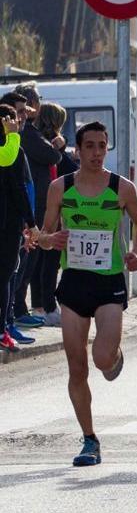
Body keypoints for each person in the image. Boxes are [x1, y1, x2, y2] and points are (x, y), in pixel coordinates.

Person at [38, 121, 137, 467]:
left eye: (102, 146)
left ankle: (114, 356)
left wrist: (135, 252)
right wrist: (49, 240)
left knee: (101, 359)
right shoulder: (61, 187)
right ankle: (89, 439)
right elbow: (44, 232)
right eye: (90, 147)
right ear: (78, 149)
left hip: (109, 282)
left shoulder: (121, 187)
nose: (97, 153)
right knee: (76, 365)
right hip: (74, 282)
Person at [11, 83, 59, 331]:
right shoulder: (26, 134)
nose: (24, 114)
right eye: (20, 110)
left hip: (33, 206)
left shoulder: (26, 134)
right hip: (27, 210)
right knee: (22, 264)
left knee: (27, 263)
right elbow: (53, 156)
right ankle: (15, 312)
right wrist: (55, 143)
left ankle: (16, 310)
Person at [29, 102, 72, 327]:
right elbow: (69, 171)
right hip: (51, 209)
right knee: (50, 261)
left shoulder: (35, 140)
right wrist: (63, 149)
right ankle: (48, 306)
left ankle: (39, 305)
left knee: (37, 260)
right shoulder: (51, 147)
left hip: (41, 207)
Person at [0, 106, 30, 353]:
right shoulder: (11, 150)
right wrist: (31, 223)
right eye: (15, 118)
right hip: (7, 225)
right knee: (6, 277)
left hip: (9, 223)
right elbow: (19, 189)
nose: (20, 122)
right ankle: (2, 331)